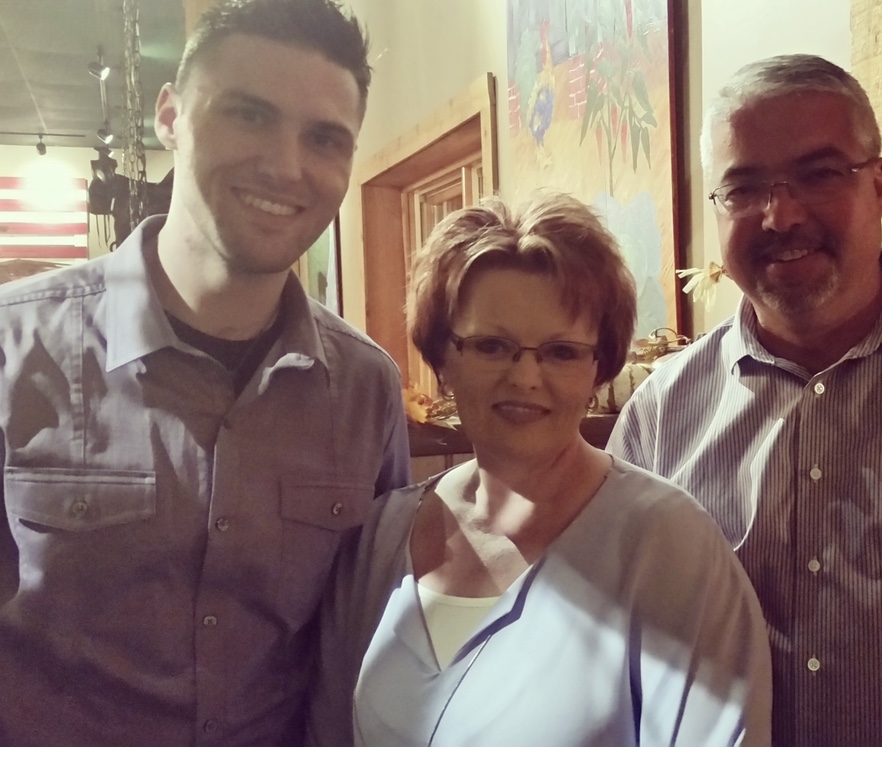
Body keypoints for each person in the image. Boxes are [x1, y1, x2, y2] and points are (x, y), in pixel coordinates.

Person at [0, 0, 409, 746]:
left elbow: (364, 639)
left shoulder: (365, 388)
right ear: (169, 115)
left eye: (324, 138)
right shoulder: (12, 352)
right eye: (248, 116)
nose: (285, 167)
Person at [608, 53, 882, 746]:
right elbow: (619, 641)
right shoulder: (658, 414)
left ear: (879, 183)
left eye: (818, 174)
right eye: (741, 189)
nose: (779, 215)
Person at [307, 192, 772, 746]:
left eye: (561, 352)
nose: (526, 378)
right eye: (492, 345)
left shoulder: (667, 546)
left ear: (599, 365)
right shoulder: (380, 539)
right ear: (442, 358)